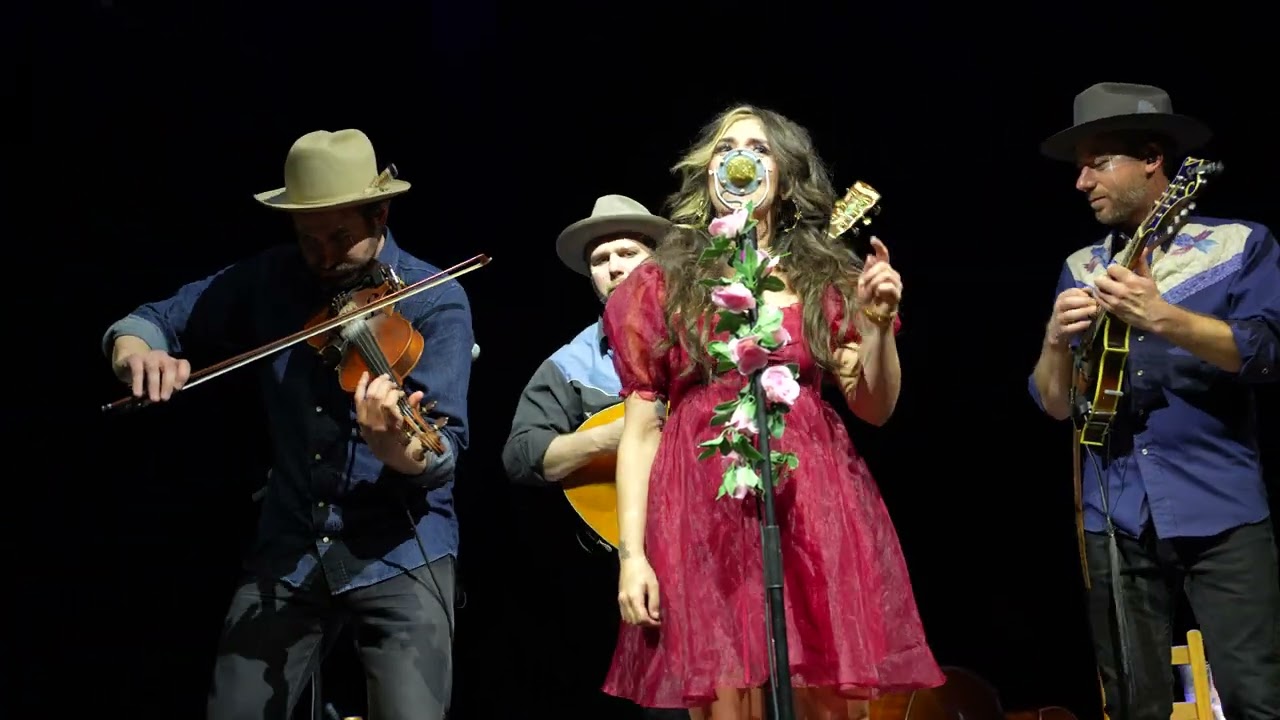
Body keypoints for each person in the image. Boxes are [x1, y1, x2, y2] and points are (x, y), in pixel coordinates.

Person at [101, 129, 475, 720]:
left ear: (380, 214)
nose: (324, 258)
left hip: (403, 550)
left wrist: (395, 444)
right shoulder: (268, 279)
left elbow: (443, 448)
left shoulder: (435, 300)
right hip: (292, 544)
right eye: (309, 240)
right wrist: (136, 353)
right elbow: (150, 321)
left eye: (341, 238)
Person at [601, 104, 945, 720]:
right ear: (709, 171)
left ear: (784, 176)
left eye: (760, 150)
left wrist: (879, 325)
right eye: (729, 147)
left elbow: (874, 406)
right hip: (702, 514)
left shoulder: (823, 277)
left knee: (815, 692)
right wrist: (633, 556)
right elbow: (641, 429)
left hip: (809, 506)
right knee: (727, 695)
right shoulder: (662, 284)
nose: (742, 159)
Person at [1028, 82, 1280, 720]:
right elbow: (1055, 404)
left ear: (1150, 157)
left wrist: (1163, 316)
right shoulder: (1081, 266)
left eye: (1097, 162)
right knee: (1131, 703)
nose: (1082, 181)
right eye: (1080, 167)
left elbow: (1264, 352)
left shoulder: (1238, 246)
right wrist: (1055, 340)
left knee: (1255, 697)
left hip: (1219, 505)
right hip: (1115, 513)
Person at [502, 194, 688, 718]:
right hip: (625, 565)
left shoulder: (701, 336)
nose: (614, 267)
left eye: (627, 252)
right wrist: (611, 438)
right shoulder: (570, 364)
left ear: (657, 264)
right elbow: (521, 455)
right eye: (600, 261)